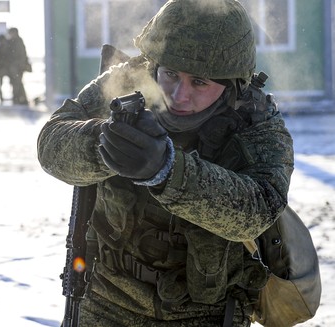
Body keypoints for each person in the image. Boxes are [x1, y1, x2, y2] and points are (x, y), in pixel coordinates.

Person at [37, 0, 294, 326]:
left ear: (232, 84)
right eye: (170, 74)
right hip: (105, 298)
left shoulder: (255, 120)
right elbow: (50, 145)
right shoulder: (127, 81)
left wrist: (167, 171)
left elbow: (258, 210)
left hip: (207, 313)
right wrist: (106, 141)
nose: (178, 95)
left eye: (200, 82)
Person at [6, 27, 30, 105]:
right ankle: (20, 98)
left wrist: (21, 64)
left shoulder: (18, 42)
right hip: (15, 65)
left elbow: (22, 54)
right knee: (16, 82)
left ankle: (19, 98)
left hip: (17, 65)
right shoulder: (13, 41)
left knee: (17, 82)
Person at [0, 33, 11, 104]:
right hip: (3, 67)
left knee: (9, 82)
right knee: (1, 83)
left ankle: (3, 96)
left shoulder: (8, 47)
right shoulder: (5, 47)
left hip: (6, 67)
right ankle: (1, 97)